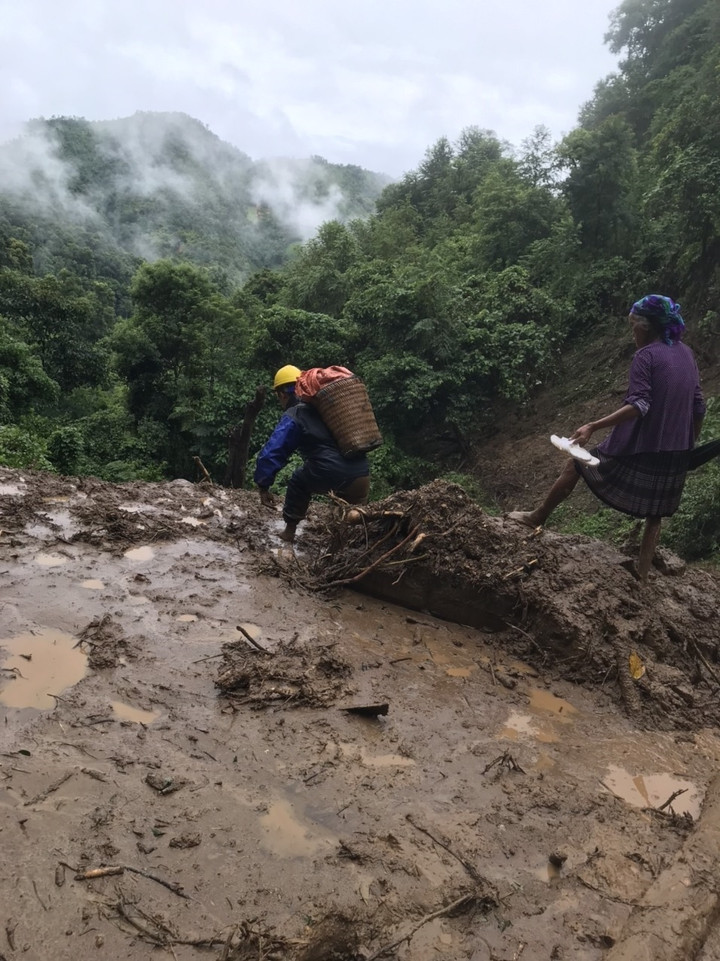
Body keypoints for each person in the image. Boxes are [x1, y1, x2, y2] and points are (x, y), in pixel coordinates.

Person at [508, 295, 706, 581]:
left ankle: (536, 517)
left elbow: (640, 405)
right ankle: (642, 577)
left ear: (646, 327)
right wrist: (690, 444)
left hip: (643, 445)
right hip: (677, 449)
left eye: (633, 327)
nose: (632, 334)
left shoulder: (646, 356)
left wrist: (593, 425)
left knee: (576, 464)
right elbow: (699, 405)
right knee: (656, 512)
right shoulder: (686, 353)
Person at [254, 364, 371, 543]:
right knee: (347, 519)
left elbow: (274, 451)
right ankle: (348, 545)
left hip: (331, 472)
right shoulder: (327, 409)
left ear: (282, 394)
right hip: (362, 474)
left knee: (298, 481)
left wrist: (263, 486)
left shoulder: (296, 414)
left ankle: (289, 532)